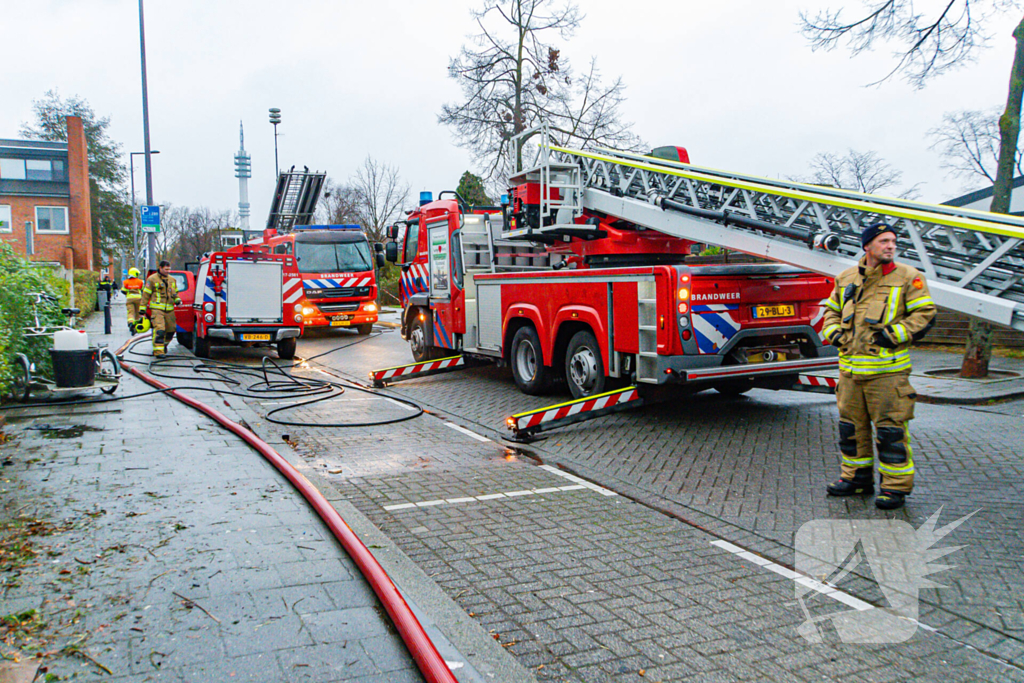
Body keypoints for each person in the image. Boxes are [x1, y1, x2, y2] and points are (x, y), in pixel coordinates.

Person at [821, 223, 937, 510]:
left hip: (888, 375)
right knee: (851, 430)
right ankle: (856, 479)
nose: (890, 246)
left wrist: (893, 335)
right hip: (850, 374)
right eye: (883, 241)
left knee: (890, 432)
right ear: (867, 246)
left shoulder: (909, 277)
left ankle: (894, 488)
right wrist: (833, 332)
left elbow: (925, 313)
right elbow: (830, 311)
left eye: (892, 241)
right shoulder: (846, 278)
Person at [138, 260, 181, 357]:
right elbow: (145, 295)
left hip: (170, 310)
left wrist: (178, 300)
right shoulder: (152, 279)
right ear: (160, 268)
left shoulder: (172, 280)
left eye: (169, 269)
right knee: (160, 329)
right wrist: (142, 309)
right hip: (157, 310)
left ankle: (163, 345)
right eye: (166, 269)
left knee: (171, 330)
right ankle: (158, 351)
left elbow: (175, 293)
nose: (168, 271)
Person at [122, 268, 146, 333]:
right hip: (138, 298)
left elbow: (123, 290)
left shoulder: (126, 282)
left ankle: (130, 323)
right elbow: (143, 290)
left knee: (131, 312)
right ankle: (136, 325)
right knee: (138, 312)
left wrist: (128, 293)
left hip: (129, 299)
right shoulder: (140, 281)